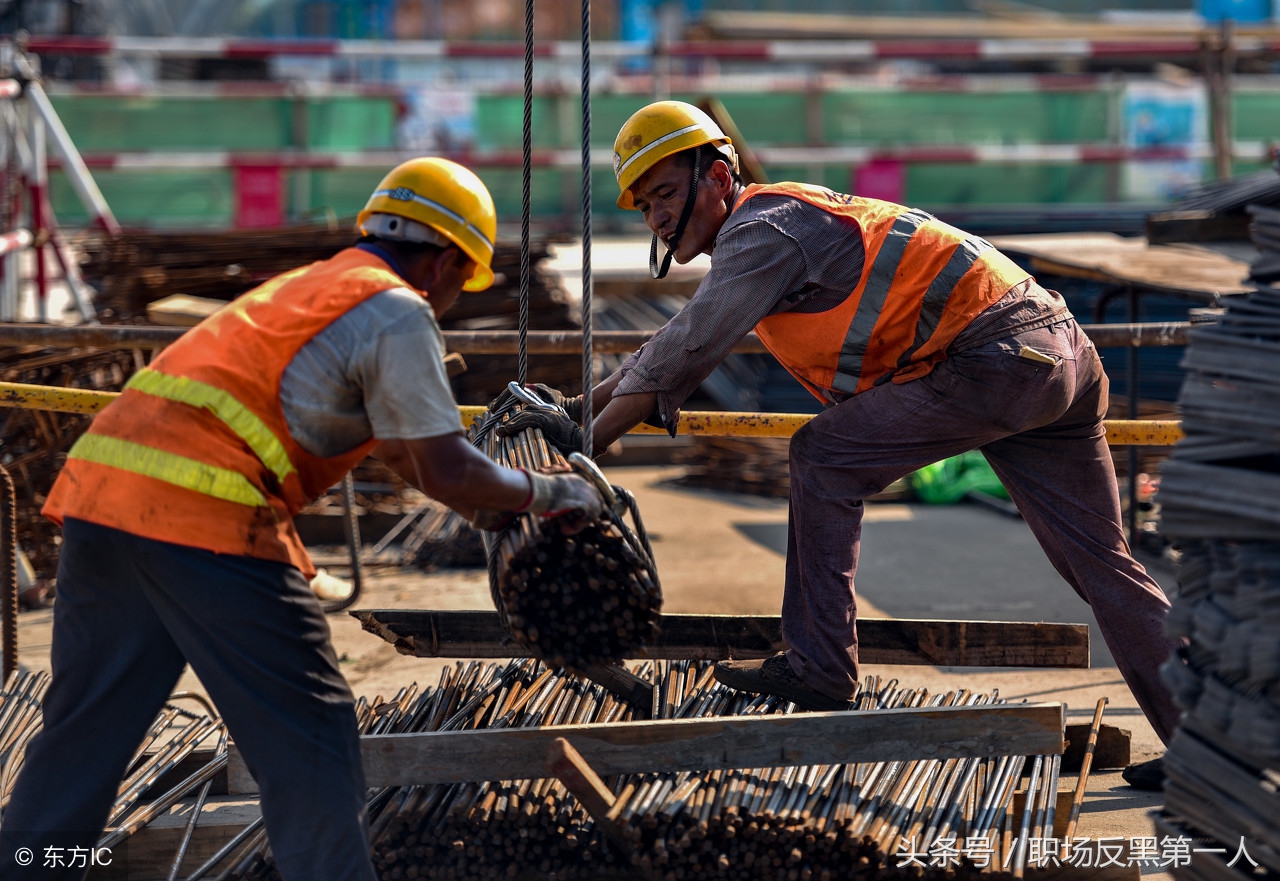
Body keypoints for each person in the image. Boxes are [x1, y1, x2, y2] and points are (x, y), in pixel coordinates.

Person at [498, 101, 1182, 790]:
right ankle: (1210, 745)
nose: (658, 217)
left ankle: (819, 665)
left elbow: (684, 351)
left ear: (719, 176)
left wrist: (580, 455)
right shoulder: (772, 235)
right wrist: (578, 410)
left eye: (667, 193)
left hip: (997, 359)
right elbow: (671, 345)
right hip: (1053, 353)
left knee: (822, 456)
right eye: (645, 206)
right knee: (1103, 566)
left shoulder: (763, 229)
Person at [0, 157, 604, 881]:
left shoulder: (312, 287)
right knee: (311, 739)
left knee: (80, 739)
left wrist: (495, 509)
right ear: (447, 262)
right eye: (459, 283)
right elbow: (444, 465)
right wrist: (554, 494)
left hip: (103, 500)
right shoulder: (398, 309)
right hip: (209, 518)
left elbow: (416, 467)